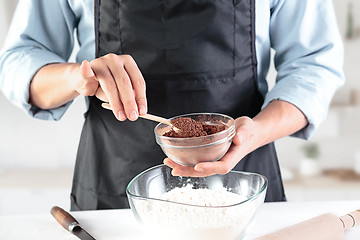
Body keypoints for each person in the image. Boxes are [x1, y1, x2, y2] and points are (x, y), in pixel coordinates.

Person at [0, 0, 344, 210]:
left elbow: (314, 64)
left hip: (241, 188)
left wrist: (256, 133)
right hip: (115, 193)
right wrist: (80, 76)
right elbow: (18, 64)